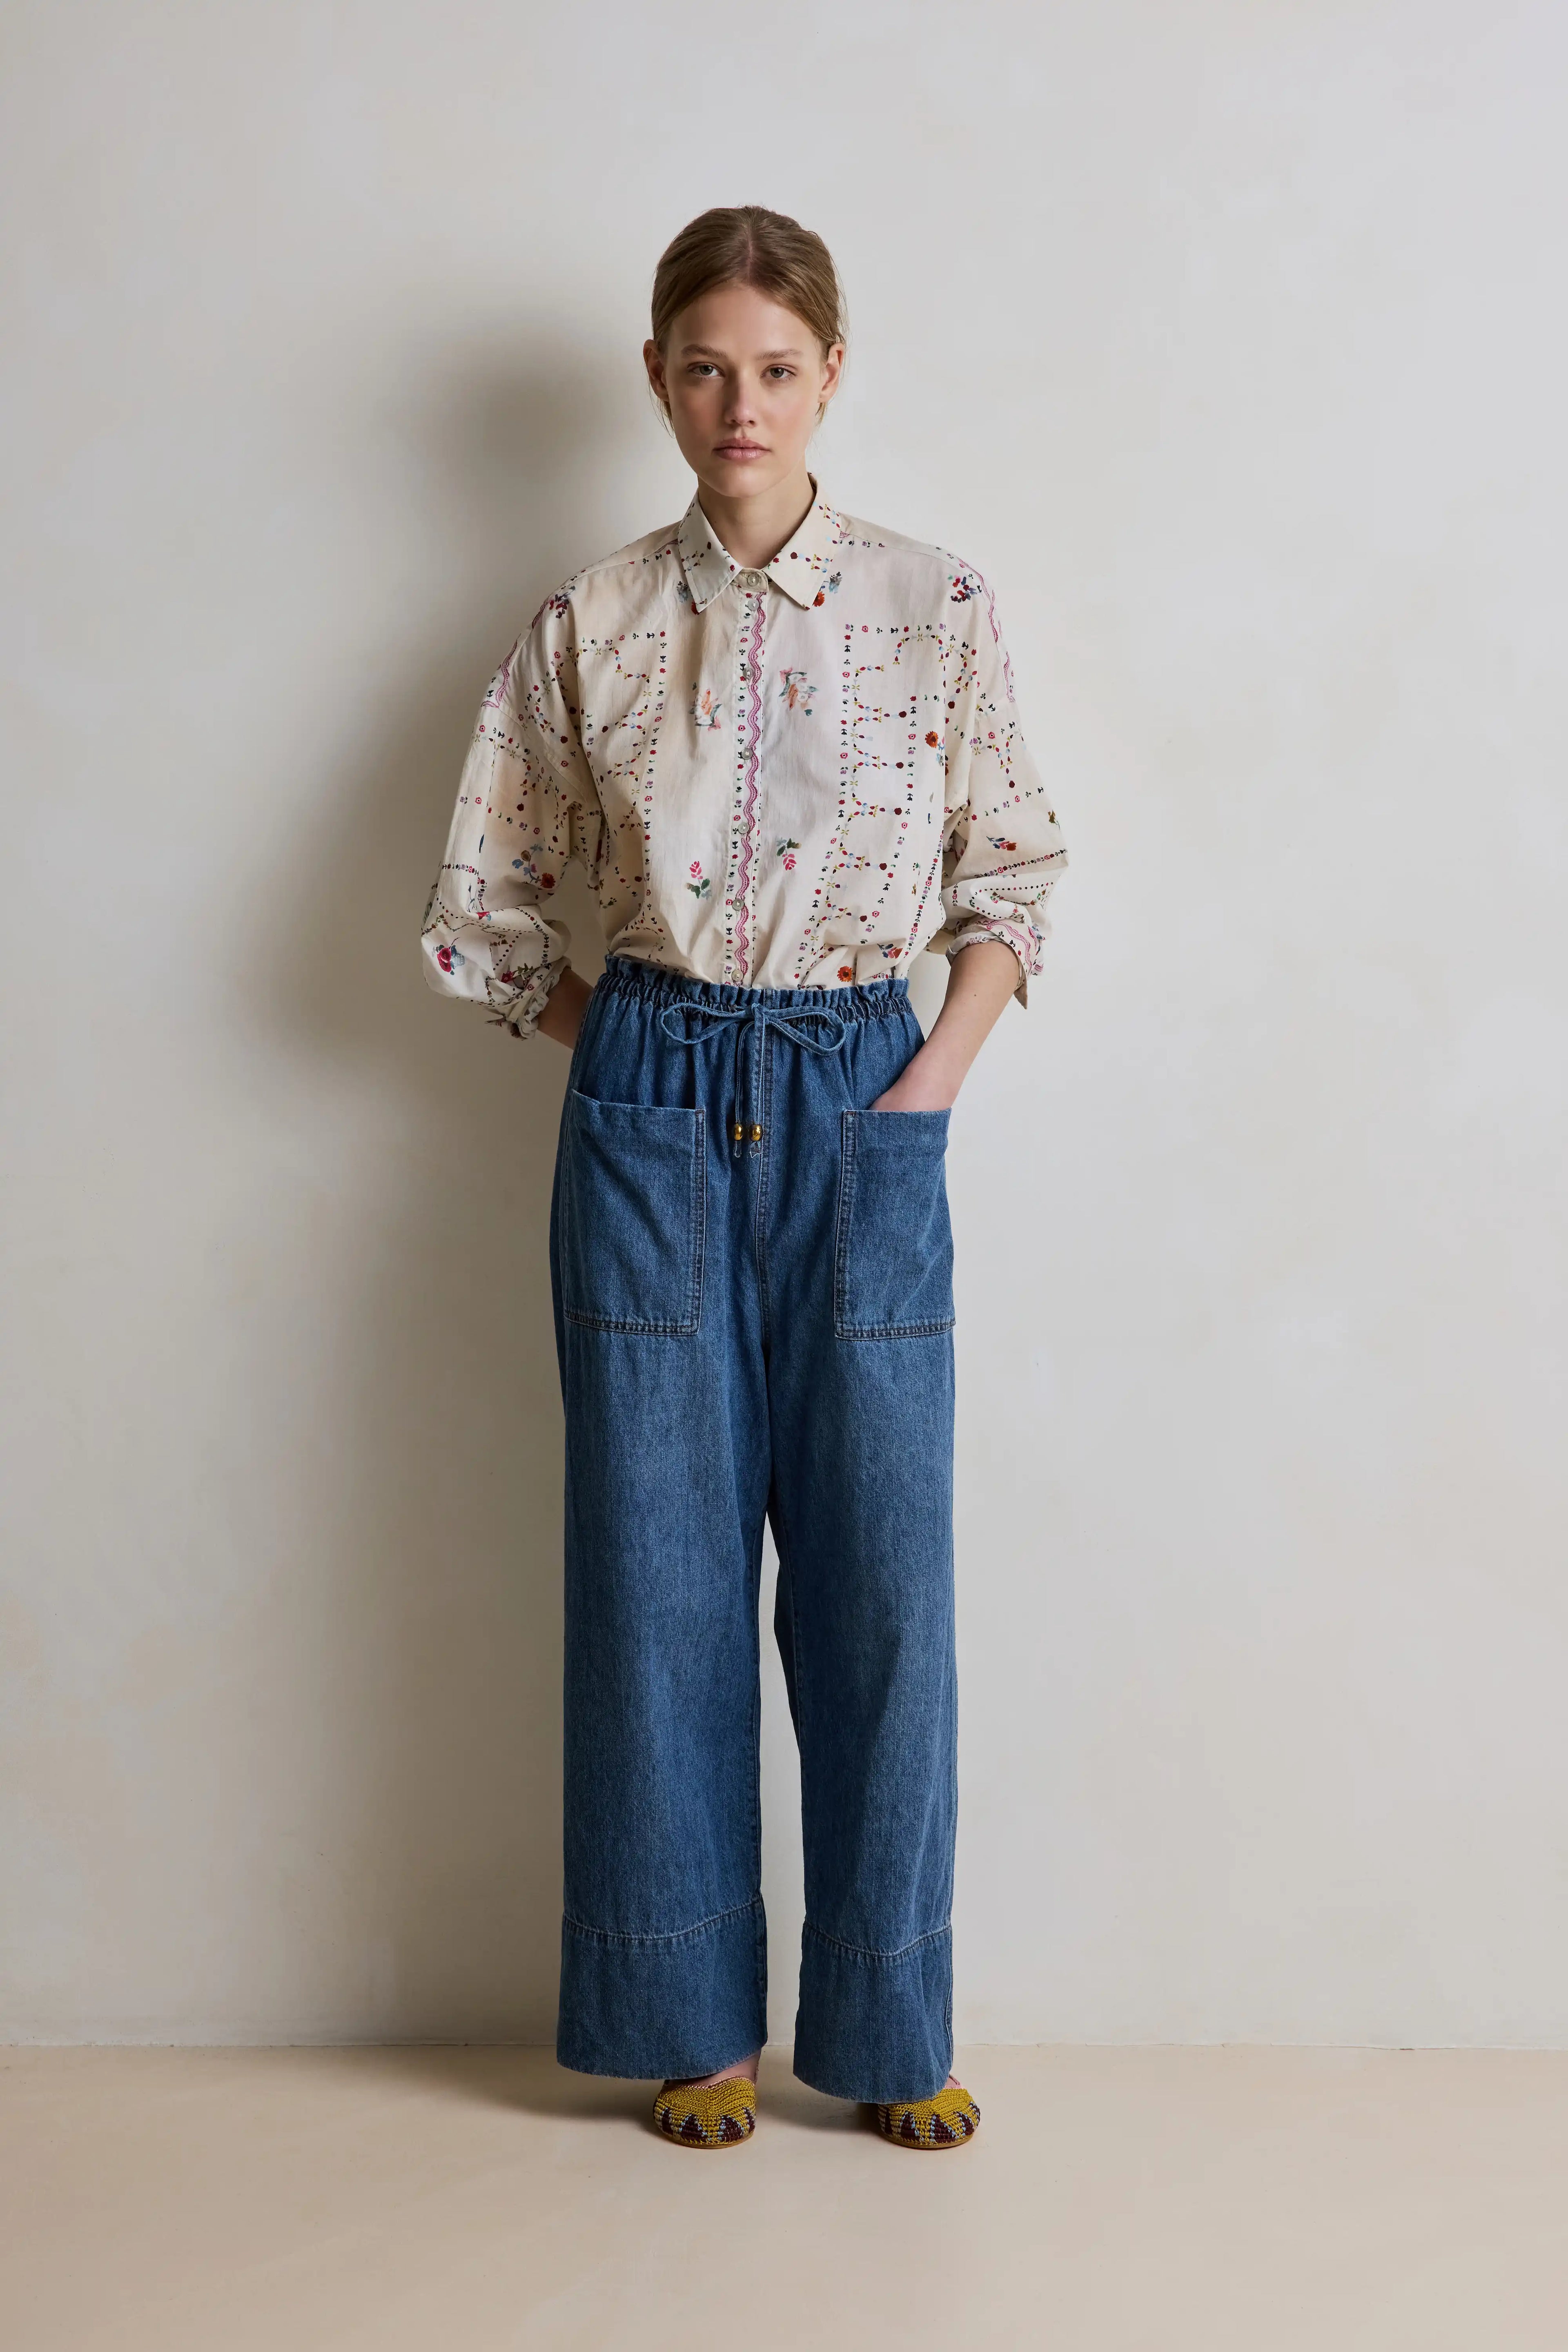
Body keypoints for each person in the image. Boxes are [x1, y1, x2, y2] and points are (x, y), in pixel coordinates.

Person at [421, 205, 1067, 2151]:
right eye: (704, 368)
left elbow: (1012, 880)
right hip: (653, 1099)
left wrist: (922, 1091)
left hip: (866, 1093)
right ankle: (687, 2019)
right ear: (657, 377)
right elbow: (483, 918)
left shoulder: (934, 607)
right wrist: (633, 1058)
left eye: (776, 369)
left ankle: (886, 2024)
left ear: (830, 375)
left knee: (883, 1586)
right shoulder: (595, 622)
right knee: (661, 1579)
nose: (740, 405)